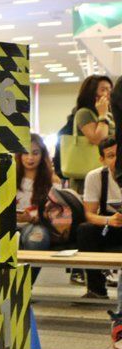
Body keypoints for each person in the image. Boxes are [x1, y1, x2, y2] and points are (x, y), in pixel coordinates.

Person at [75, 139, 122, 300]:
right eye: (111, 156)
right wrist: (109, 221)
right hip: (109, 225)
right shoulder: (95, 177)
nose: (117, 160)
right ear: (102, 159)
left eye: (119, 154)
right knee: (85, 230)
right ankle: (96, 289)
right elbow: (89, 214)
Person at [65, 74, 113, 193]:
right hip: (85, 175)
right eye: (103, 89)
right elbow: (99, 140)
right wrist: (102, 115)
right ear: (92, 93)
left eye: (110, 89)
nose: (108, 93)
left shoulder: (110, 114)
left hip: (106, 171)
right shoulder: (84, 113)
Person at [15, 133, 55, 251]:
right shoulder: (9, 177)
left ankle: (30, 270)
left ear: (42, 155)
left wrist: (31, 219)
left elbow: (54, 213)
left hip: (37, 225)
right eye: (26, 153)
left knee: (37, 239)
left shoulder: (52, 180)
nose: (30, 158)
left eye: (35, 153)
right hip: (9, 225)